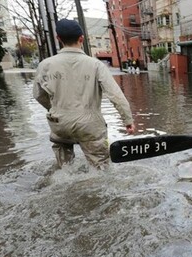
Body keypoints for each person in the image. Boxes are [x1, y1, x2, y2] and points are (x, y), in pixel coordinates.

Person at [33, 19, 136, 169]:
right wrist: (128, 120)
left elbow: (38, 95)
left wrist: (54, 108)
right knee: (100, 167)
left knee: (65, 169)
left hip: (59, 123)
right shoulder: (95, 65)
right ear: (81, 38)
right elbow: (115, 95)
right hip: (89, 124)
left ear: (58, 39)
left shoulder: (45, 65)